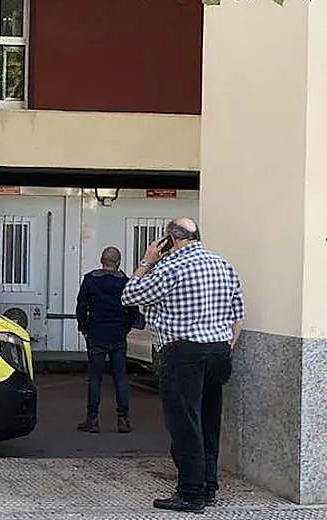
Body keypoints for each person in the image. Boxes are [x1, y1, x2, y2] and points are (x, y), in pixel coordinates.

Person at [121, 217, 245, 513]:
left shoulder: (169, 267)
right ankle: (209, 486)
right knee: (209, 421)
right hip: (217, 352)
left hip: (183, 354)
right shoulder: (223, 265)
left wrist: (147, 260)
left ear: (169, 239)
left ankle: (190, 493)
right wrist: (225, 346)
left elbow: (129, 295)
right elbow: (238, 313)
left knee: (185, 424)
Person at [75, 246, 140, 434]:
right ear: (118, 262)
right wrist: (125, 328)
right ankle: (123, 420)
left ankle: (92, 419)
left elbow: (81, 306)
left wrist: (84, 327)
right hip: (117, 334)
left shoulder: (90, 280)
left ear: (101, 260)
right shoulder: (125, 282)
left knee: (95, 377)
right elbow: (133, 311)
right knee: (120, 377)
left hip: (96, 333)